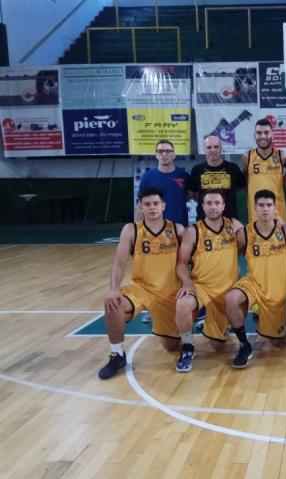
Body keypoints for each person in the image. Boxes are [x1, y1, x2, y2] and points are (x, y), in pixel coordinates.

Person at [98, 187, 184, 379]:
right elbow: (119, 263)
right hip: (141, 288)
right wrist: (113, 289)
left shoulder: (177, 230)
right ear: (140, 206)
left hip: (170, 292)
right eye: (147, 204)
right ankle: (117, 354)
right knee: (113, 304)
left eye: (155, 203)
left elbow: (186, 263)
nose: (152, 207)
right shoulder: (131, 230)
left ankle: (165, 327)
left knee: (171, 347)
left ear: (163, 206)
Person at [224, 189, 286, 368]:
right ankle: (244, 345)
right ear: (255, 207)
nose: (265, 209)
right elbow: (233, 251)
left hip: (276, 290)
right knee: (231, 298)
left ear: (275, 208)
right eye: (261, 205)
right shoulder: (245, 232)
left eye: (269, 205)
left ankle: (284, 315)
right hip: (252, 283)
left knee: (276, 343)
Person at [173, 189, 245, 373]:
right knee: (182, 304)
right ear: (202, 206)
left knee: (218, 347)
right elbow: (181, 263)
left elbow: (245, 246)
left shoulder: (234, 226)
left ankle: (215, 325)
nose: (213, 207)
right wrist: (187, 283)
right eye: (209, 203)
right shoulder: (193, 231)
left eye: (217, 203)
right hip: (202, 287)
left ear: (223, 206)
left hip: (227, 290)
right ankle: (187, 349)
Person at [241, 118, 286, 224]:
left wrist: (281, 185)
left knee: (279, 238)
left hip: (277, 208)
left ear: (272, 134)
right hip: (255, 208)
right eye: (259, 133)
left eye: (266, 132)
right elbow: (246, 180)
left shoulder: (282, 155)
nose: (263, 136)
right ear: (254, 135)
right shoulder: (247, 156)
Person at [188, 135, 246, 221]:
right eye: (209, 147)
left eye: (216, 147)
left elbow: (242, 188)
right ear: (204, 149)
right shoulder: (197, 170)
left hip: (230, 222)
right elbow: (191, 194)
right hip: (203, 223)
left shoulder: (233, 168)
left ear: (221, 148)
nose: (213, 150)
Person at [138, 139, 190, 226]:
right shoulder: (147, 177)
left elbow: (190, 196)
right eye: (160, 151)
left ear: (174, 155)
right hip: (154, 229)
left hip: (180, 227)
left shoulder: (184, 176)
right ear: (156, 155)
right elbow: (140, 205)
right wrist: (138, 230)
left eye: (168, 151)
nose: (164, 154)